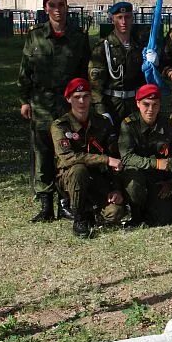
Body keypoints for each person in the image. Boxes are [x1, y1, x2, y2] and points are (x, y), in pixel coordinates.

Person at [18, 0, 91, 222]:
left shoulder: (78, 37)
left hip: (67, 103)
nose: (57, 10)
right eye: (53, 5)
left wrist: (81, 101)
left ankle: (65, 201)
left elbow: (84, 73)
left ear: (67, 7)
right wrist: (24, 100)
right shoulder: (35, 36)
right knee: (43, 152)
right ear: (46, 8)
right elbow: (25, 70)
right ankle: (45, 204)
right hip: (40, 103)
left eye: (61, 5)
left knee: (68, 150)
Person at [50, 78, 125, 238]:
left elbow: (114, 158)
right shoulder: (60, 125)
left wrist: (116, 189)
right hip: (70, 179)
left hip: (97, 179)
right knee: (79, 169)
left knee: (116, 213)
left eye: (86, 96)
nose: (82, 101)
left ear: (91, 98)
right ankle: (79, 218)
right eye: (77, 97)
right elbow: (68, 158)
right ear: (69, 99)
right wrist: (104, 160)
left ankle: (92, 213)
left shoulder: (102, 122)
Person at [118, 84, 172, 227]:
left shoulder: (169, 125)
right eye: (146, 104)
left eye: (155, 105)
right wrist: (156, 163)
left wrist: (170, 182)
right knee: (133, 184)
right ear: (138, 103)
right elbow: (126, 157)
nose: (150, 110)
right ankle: (136, 214)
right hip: (138, 175)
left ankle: (151, 209)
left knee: (164, 218)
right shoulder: (129, 125)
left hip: (159, 178)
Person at [88, 1, 146, 129]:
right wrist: (101, 109)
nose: (123, 22)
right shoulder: (103, 47)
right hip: (112, 104)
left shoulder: (139, 46)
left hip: (134, 104)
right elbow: (95, 85)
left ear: (132, 18)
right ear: (112, 19)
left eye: (127, 17)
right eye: (119, 17)